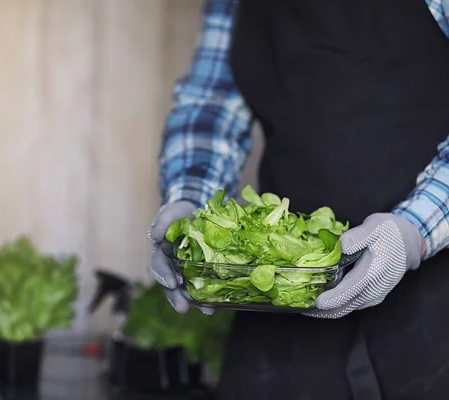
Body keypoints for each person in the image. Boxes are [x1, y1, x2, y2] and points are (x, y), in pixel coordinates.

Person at [148, 0, 449, 399]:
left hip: (432, 311)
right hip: (279, 297)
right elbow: (211, 104)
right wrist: (189, 204)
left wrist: (413, 231)